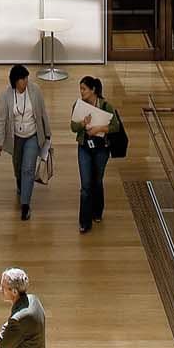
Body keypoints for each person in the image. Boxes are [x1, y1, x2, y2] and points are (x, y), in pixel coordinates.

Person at [0, 64, 51, 220]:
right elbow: (0, 119)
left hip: (32, 135)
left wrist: (47, 134)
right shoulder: (5, 96)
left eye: (26, 78)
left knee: (28, 169)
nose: (26, 81)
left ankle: (25, 205)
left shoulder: (35, 90)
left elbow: (43, 113)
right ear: (15, 81)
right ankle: (20, 183)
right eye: (22, 79)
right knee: (18, 166)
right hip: (16, 137)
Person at [70, 74, 125, 234]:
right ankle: (84, 222)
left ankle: (97, 211)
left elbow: (115, 127)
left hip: (101, 148)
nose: (81, 92)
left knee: (97, 180)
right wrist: (83, 124)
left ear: (93, 90)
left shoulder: (106, 106)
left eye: (84, 89)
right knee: (86, 185)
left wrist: (99, 129)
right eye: (80, 89)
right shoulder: (78, 105)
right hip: (84, 147)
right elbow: (73, 127)